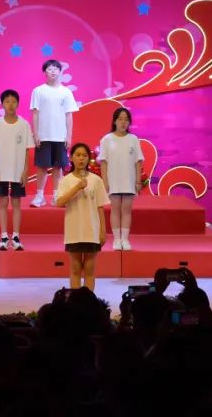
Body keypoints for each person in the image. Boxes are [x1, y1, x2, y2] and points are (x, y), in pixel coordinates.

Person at [0, 89, 34, 251]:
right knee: (3, 201)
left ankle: (16, 236)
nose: (10, 105)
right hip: (1, 170)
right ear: (2, 104)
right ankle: (4, 236)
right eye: (7, 102)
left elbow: (27, 149)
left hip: (18, 171)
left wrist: (25, 171)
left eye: (13, 102)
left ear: (18, 104)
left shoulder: (24, 125)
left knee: (17, 202)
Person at [55, 143, 109, 291]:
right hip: (74, 231)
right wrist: (77, 187)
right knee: (75, 269)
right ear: (71, 158)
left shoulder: (96, 180)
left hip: (92, 231)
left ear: (88, 159)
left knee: (90, 270)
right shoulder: (66, 180)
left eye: (84, 155)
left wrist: (103, 231)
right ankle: (75, 302)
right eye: (78, 155)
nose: (81, 158)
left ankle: (88, 301)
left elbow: (100, 206)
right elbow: (59, 203)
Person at [30, 59, 78, 207]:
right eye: (49, 69)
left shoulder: (66, 92)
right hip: (43, 136)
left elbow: (69, 116)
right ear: (44, 72)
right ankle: (39, 196)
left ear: (60, 71)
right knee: (42, 166)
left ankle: (56, 195)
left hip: (60, 136)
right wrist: (36, 134)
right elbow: (35, 114)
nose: (52, 71)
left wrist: (68, 136)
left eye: (55, 69)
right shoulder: (38, 91)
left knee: (58, 167)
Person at [98, 107, 144, 251]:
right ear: (114, 121)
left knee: (126, 210)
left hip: (129, 180)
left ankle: (125, 239)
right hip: (113, 180)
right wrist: (105, 181)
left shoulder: (133, 139)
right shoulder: (106, 139)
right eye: (120, 119)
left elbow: (138, 161)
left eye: (126, 120)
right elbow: (103, 162)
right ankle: (116, 240)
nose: (123, 122)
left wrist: (138, 181)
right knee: (115, 210)